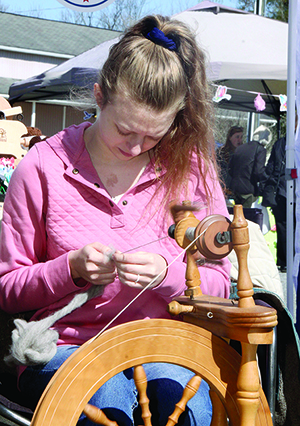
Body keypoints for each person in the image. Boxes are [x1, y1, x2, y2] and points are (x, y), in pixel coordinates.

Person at [0, 15, 231, 426]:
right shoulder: (42, 168)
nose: (137, 146)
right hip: (64, 346)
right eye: (125, 130)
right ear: (99, 97)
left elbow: (222, 282)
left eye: (155, 135)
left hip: (167, 345)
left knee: (180, 404)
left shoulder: (192, 169)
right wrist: (68, 269)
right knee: (109, 404)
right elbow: (7, 290)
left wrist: (170, 275)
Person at [261, 136, 287, 272]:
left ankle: (283, 261)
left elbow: (271, 167)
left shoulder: (280, 143)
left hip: (280, 189)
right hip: (287, 189)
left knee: (283, 226)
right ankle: (288, 260)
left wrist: (265, 185)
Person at [228, 125, 270, 208]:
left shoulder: (240, 148)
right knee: (247, 217)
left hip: (236, 189)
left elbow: (231, 168)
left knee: (237, 215)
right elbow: (258, 171)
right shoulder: (260, 149)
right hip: (248, 190)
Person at [216, 125, 243, 197]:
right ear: (230, 138)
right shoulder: (221, 152)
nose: (239, 140)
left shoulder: (243, 153)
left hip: (238, 191)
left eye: (241, 137)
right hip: (223, 189)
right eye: (237, 137)